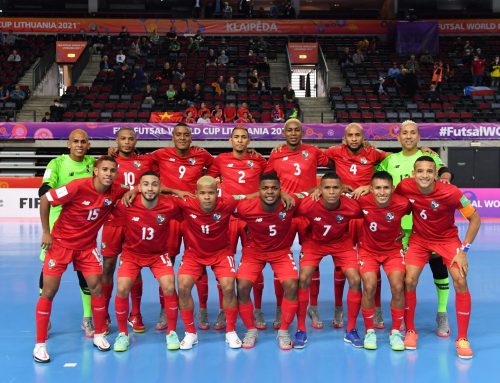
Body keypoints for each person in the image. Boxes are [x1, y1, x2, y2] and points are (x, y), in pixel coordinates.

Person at [34, 156, 128, 363]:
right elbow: (45, 199)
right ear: (95, 171)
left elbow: (137, 188)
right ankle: (40, 345)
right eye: (104, 169)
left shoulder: (115, 190)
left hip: (87, 248)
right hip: (59, 244)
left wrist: (171, 191)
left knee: (97, 288)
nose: (108, 174)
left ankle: (99, 334)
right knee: (49, 291)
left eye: (112, 170)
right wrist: (46, 232)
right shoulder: (77, 186)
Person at [395, 156, 480, 359]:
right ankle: (411, 330)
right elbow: (393, 203)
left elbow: (475, 219)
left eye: (429, 171)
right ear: (413, 173)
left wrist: (463, 250)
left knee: (460, 279)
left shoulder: (451, 192)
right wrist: (396, 228)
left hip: (447, 240)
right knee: (409, 280)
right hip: (419, 240)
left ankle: (462, 338)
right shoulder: (404, 186)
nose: (424, 175)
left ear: (436, 174)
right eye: (420, 171)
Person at [377, 120, 453, 338]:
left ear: (418, 136)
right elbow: (374, 178)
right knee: (403, 278)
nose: (408, 136)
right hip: (400, 229)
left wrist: (446, 177)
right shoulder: (390, 161)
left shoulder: (429, 157)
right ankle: (401, 318)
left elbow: (444, 170)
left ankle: (441, 313)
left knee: (439, 269)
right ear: (398, 137)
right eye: (404, 133)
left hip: (429, 226)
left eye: (412, 133)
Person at [265, 118, 332, 330]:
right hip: (284, 211)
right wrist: (281, 192)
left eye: (297, 130)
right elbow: (267, 178)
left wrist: (320, 187)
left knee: (313, 259)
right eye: (289, 130)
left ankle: (313, 306)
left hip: (309, 212)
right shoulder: (276, 154)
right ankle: (279, 306)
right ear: (284, 133)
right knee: (279, 257)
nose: (293, 133)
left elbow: (336, 159)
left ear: (302, 132)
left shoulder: (312, 151)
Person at [147, 124, 214, 330]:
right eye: (179, 135)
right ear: (172, 137)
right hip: (169, 216)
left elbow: (214, 170)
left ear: (191, 137)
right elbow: (138, 162)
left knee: (200, 260)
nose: (183, 138)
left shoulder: (203, 156)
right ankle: (164, 309)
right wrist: (174, 191)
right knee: (167, 263)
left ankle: (202, 309)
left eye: (186, 135)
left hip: (195, 215)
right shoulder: (159, 154)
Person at [324, 123, 388, 328]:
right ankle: (338, 308)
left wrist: (368, 187)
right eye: (349, 135)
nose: (353, 138)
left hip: (366, 215)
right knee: (341, 265)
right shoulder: (335, 152)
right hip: (342, 215)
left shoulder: (373, 153)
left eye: (357, 135)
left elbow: (395, 159)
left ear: (363, 137)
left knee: (373, 264)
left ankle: (376, 310)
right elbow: (310, 154)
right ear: (344, 138)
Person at [112, 171, 182, 352]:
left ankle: (172, 332)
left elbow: (191, 210)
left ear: (160, 187)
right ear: (139, 187)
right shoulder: (127, 204)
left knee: (169, 286)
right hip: (131, 254)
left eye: (154, 184)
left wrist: (180, 192)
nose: (150, 188)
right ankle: (122, 334)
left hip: (158, 254)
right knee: (121, 288)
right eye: (146, 184)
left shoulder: (170, 205)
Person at [207, 126, 268, 330]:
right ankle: (224, 309)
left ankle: (257, 309)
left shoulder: (259, 160)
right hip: (228, 218)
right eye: (236, 137)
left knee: (255, 262)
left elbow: (269, 182)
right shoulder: (220, 160)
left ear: (249, 141)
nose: (240, 140)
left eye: (244, 137)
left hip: (252, 217)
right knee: (225, 263)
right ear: (230, 140)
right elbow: (207, 180)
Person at [37, 129, 96, 338]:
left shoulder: (92, 163)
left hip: (84, 229)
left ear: (88, 145)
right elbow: (44, 190)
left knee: (85, 275)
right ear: (68, 144)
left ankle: (88, 318)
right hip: (57, 229)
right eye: (75, 141)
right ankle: (44, 314)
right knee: (48, 274)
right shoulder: (57, 164)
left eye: (83, 142)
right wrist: (46, 231)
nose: (80, 145)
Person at [294, 172, 364, 348]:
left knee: (355, 279)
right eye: (327, 188)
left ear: (342, 189)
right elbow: (291, 207)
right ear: (320, 190)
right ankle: (301, 328)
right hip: (314, 243)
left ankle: (351, 329)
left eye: (335, 188)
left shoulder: (352, 207)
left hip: (342, 243)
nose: (331, 192)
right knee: (303, 278)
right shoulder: (307, 206)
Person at [234, 172, 301, 350]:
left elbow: (313, 196)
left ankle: (284, 330)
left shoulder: (291, 203)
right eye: (265, 189)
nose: (269, 192)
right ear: (258, 191)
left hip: (280, 252)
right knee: (242, 287)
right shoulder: (245, 208)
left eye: (274, 188)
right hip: (254, 252)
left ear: (280, 190)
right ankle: (250, 329)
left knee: (292, 285)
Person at [176, 176, 242, 349]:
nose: (207, 197)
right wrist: (175, 191)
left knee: (228, 286)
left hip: (221, 253)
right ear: (196, 194)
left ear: (217, 193)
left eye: (211, 193)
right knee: (183, 286)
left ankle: (230, 331)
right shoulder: (186, 203)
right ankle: (190, 333)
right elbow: (156, 192)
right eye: (203, 193)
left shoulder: (227, 203)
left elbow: (251, 197)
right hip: (194, 254)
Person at [100, 128, 155, 333]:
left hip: (137, 223)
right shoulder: (108, 161)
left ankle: (135, 314)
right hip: (113, 221)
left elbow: (160, 180)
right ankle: (104, 315)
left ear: (136, 140)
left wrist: (137, 189)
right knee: (108, 268)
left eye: (131, 138)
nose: (127, 142)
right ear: (117, 141)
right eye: (123, 139)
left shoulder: (147, 162)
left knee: (135, 268)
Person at [357, 171, 411, 351]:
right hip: (368, 251)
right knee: (370, 287)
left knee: (397, 287)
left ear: (393, 189)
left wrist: (403, 230)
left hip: (392, 251)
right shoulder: (361, 201)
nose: (382, 192)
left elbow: (420, 214)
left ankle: (396, 332)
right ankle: (369, 331)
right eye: (378, 188)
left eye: (386, 188)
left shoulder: (403, 204)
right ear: (371, 189)